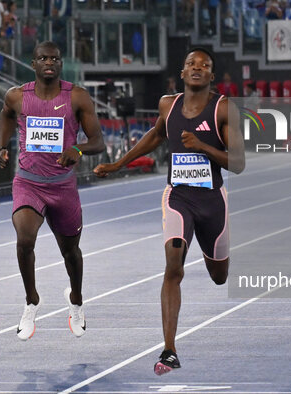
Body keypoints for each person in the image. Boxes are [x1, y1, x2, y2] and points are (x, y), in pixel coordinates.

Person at [93, 47, 245, 375]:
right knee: (173, 266)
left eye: (204, 65)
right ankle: (169, 350)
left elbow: (239, 163)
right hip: (177, 198)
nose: (196, 68)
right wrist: (119, 164)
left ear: (211, 75)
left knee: (219, 277)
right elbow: (156, 135)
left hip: (212, 202)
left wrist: (203, 146)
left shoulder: (223, 110)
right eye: (190, 63)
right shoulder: (168, 104)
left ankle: (209, 250)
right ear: (182, 72)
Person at [0, 41, 105, 340]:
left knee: (70, 252)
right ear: (33, 64)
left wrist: (78, 150)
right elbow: (6, 115)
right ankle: (32, 300)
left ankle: (76, 301)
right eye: (43, 58)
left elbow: (98, 142)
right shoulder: (17, 96)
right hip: (28, 182)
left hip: (62, 187)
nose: (49, 62)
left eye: (55, 58)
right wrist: (2, 146)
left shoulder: (77, 97)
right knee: (24, 239)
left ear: (61, 63)